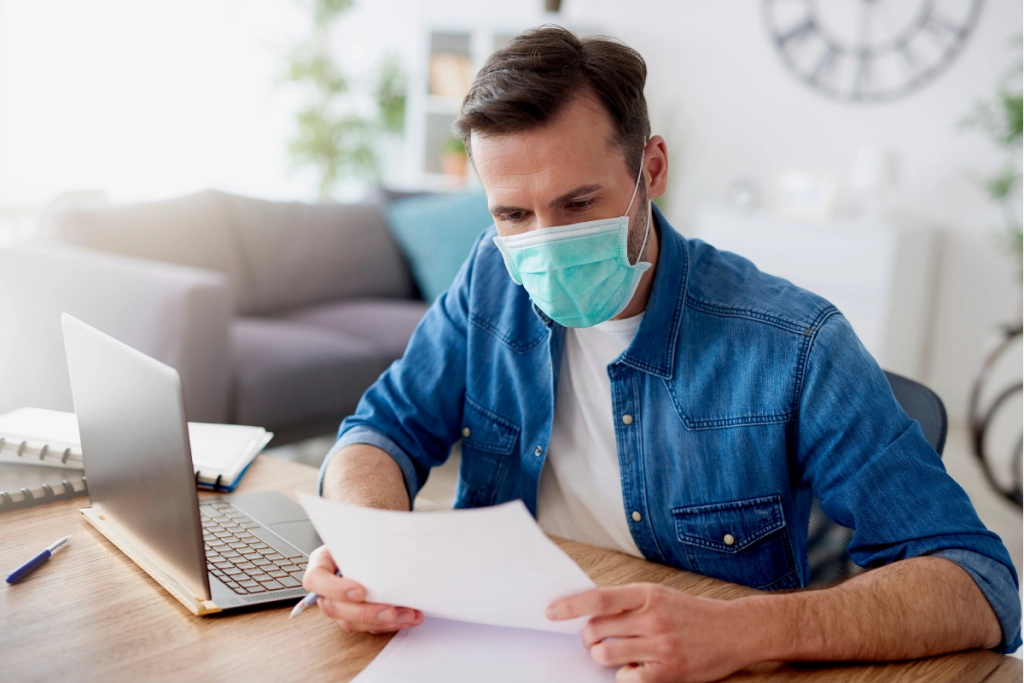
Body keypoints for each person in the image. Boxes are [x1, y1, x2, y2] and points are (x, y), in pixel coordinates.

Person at [303, 26, 1020, 683]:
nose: (543, 242)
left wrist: (745, 630)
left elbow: (977, 580)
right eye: (514, 214)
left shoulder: (794, 342)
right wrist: (374, 550)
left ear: (652, 167)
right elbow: (384, 429)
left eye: (578, 203)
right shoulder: (492, 274)